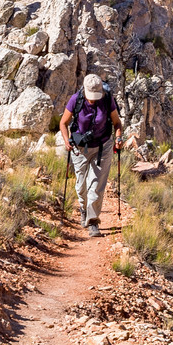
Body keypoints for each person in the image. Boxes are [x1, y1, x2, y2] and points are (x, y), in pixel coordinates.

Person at [59, 74, 135, 237]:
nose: (93, 100)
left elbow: (117, 122)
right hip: (80, 147)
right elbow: (63, 123)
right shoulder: (75, 99)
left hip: (103, 146)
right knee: (81, 185)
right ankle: (83, 208)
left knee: (96, 185)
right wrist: (67, 141)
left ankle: (93, 221)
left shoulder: (107, 99)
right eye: (90, 96)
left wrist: (119, 137)